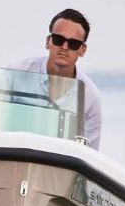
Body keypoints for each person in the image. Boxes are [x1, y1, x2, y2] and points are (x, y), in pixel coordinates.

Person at [9, 8, 103, 149]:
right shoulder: (17, 73)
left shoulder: (90, 97)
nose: (64, 47)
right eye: (59, 40)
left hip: (60, 161)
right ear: (48, 42)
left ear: (82, 50)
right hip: (14, 154)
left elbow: (90, 152)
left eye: (73, 44)